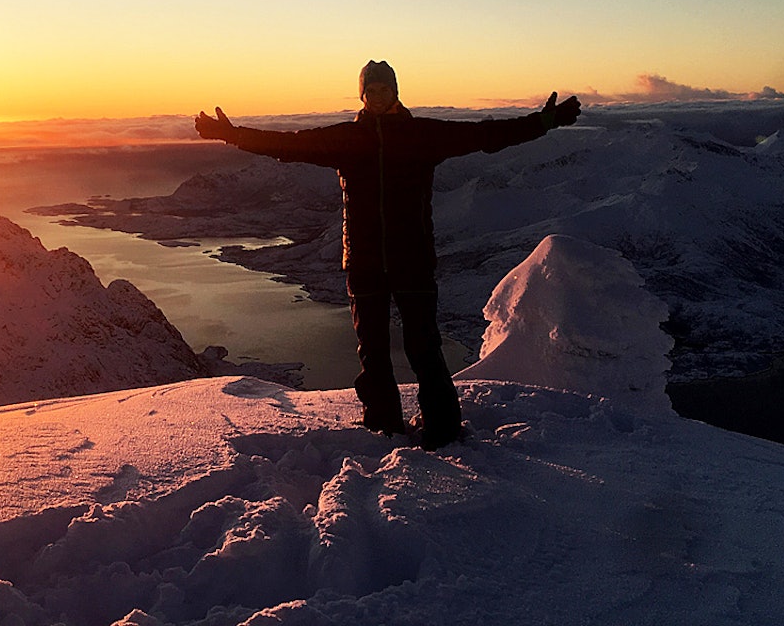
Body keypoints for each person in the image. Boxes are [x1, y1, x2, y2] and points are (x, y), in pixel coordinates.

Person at [195, 60, 581, 449]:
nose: (377, 97)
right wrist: (230, 135)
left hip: (412, 258)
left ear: (396, 92)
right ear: (361, 95)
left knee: (424, 346)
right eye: (371, 91)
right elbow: (288, 144)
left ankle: (442, 428)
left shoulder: (421, 135)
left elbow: (486, 134)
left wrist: (544, 123)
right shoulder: (348, 138)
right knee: (373, 350)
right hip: (363, 262)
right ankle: (384, 426)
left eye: (384, 90)